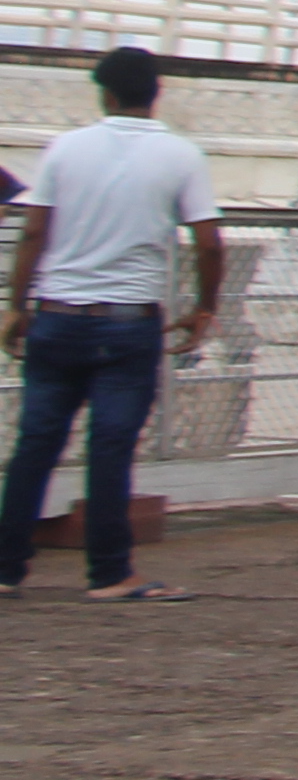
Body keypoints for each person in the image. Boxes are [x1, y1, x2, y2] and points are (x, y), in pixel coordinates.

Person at [8, 49, 224, 604]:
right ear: (157, 93)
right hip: (128, 325)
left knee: (35, 445)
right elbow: (206, 241)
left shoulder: (66, 147)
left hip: (56, 317)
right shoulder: (181, 155)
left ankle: (5, 566)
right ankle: (108, 574)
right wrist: (204, 308)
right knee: (110, 449)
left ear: (103, 92)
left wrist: (16, 305)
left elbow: (33, 232)